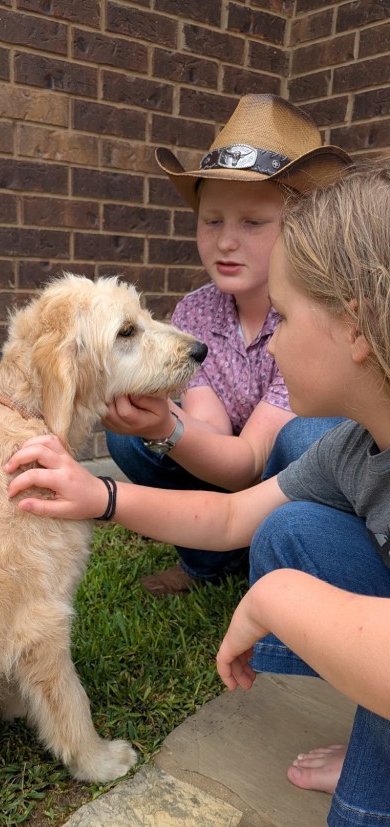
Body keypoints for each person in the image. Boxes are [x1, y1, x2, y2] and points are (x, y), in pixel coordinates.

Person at [5, 159, 390, 827]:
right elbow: (229, 514)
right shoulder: (355, 446)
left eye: (286, 319)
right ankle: (376, 745)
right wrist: (100, 496)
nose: (269, 343)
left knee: (294, 564)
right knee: (292, 529)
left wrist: (277, 600)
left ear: (356, 328)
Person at [103, 93, 349, 594]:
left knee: (305, 438)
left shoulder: (314, 318)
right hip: (231, 467)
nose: (225, 241)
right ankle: (211, 562)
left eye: (252, 222)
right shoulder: (198, 312)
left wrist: (168, 427)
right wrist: (159, 422)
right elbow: (210, 431)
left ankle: (291, 561)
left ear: (302, 230)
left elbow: (252, 462)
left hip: (292, 475)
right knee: (131, 440)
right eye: (212, 220)